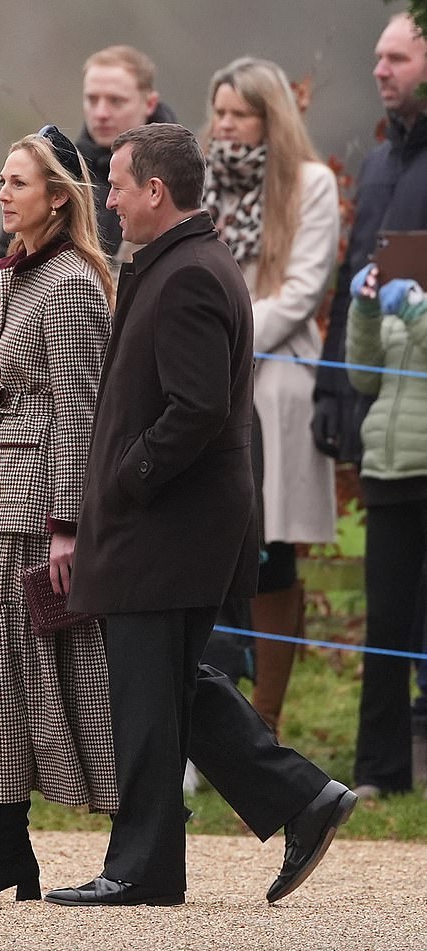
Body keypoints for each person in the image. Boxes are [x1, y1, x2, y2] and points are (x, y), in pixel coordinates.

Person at [44, 123, 357, 909]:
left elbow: (197, 407)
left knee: (150, 698)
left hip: (168, 527)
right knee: (171, 685)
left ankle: (143, 867)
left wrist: (127, 476)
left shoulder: (187, 275)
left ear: (155, 191)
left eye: (116, 184)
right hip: (168, 525)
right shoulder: (177, 263)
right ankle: (300, 799)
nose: (107, 198)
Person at [0, 125, 118, 904]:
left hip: (38, 508)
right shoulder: (22, 275)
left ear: (57, 198)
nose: (1, 193)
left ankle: (136, 845)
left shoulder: (70, 282)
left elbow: (81, 408)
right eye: (1, 180)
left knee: (64, 677)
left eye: (16, 183)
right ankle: (4, 846)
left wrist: (67, 520)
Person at [202, 57, 339, 734]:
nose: (226, 126)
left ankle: (266, 715)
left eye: (240, 114)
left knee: (273, 548)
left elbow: (301, 291)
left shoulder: (308, 184)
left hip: (275, 376)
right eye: (220, 113)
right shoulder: (199, 181)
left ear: (270, 117)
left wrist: (219, 338)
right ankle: (209, 711)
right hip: (207, 378)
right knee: (205, 543)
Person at [312, 12, 427, 464]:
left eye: (397, 59)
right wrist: (329, 389)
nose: (379, 70)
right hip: (374, 406)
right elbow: (353, 279)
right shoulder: (377, 165)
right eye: (379, 58)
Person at [346, 265, 427, 797]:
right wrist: (367, 310)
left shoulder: (416, 305)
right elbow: (363, 376)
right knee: (386, 627)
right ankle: (380, 769)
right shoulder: (404, 296)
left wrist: (418, 313)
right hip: (389, 473)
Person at [0, 44, 176, 274]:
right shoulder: (61, 169)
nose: (101, 113)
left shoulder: (182, 174)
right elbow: (5, 256)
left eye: (115, 101)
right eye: (92, 99)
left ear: (149, 103)